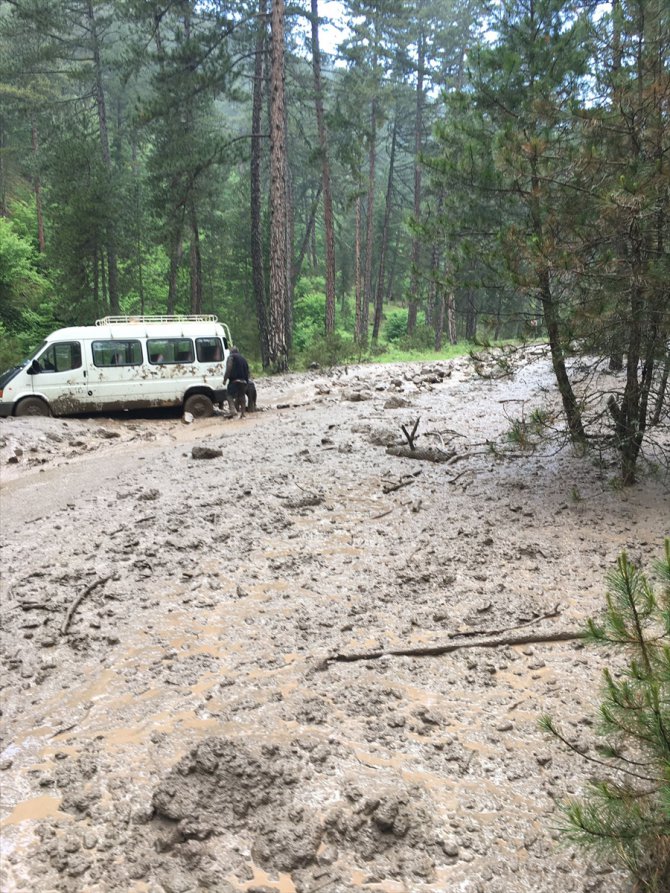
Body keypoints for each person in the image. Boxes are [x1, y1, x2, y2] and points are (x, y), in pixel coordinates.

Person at [224, 346, 250, 419]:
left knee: (229, 395)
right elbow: (248, 371)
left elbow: (229, 368)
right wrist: (247, 381)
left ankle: (233, 410)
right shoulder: (243, 359)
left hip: (234, 380)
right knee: (242, 396)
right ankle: (243, 414)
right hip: (243, 381)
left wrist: (225, 379)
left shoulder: (231, 357)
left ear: (231, 352)